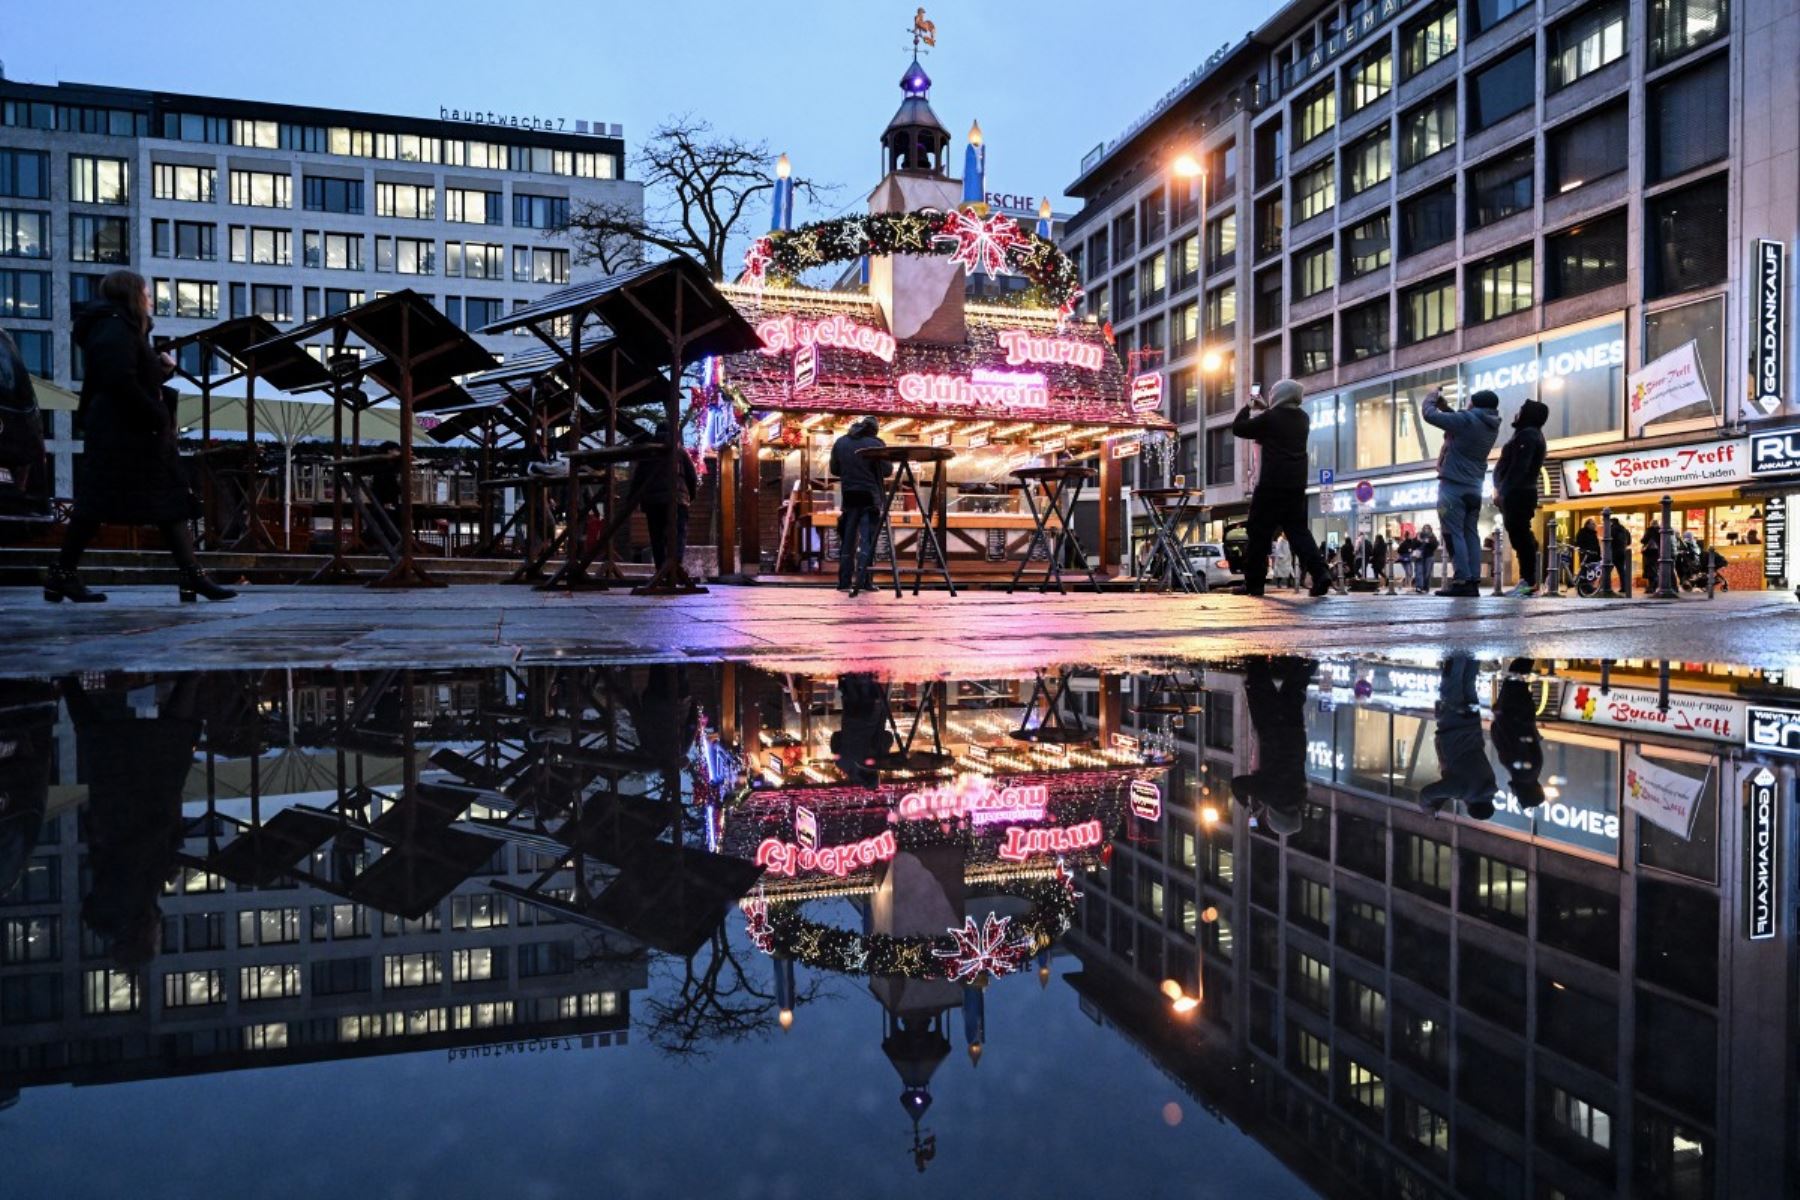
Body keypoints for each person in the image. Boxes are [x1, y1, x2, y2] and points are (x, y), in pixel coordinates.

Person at [48, 270, 234, 603]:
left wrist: (158, 371)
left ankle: (63, 574)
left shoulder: (117, 326)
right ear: (133, 294)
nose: (151, 299)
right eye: (147, 293)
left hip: (123, 431)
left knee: (155, 501)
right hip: (127, 433)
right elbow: (119, 378)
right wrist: (156, 412)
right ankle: (190, 577)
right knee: (139, 500)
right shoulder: (116, 326)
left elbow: (123, 373)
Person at [1230, 379, 1330, 597]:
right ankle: (1321, 575)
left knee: (1258, 532)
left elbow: (1239, 428)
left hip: (1271, 484)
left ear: (1279, 395)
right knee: (1299, 532)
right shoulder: (1303, 418)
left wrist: (1249, 406)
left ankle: (1254, 584)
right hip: (1295, 485)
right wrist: (1265, 409)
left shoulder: (1270, 418)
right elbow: (1275, 426)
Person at [1421, 388, 1501, 597]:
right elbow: (1460, 420)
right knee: (1470, 533)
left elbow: (1429, 415)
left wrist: (1431, 397)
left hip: (1452, 488)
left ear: (1473, 405)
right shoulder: (1490, 425)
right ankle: (1472, 579)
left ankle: (1461, 579)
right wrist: (1446, 407)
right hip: (1474, 489)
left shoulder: (1467, 421)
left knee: (1451, 532)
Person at [1231, 656, 1315, 836]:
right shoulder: (1269, 795)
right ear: (1275, 816)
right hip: (1271, 732)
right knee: (1259, 683)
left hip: (1294, 733)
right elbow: (1237, 784)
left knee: (1293, 690)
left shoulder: (1300, 796)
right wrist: (1246, 804)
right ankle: (1257, 654)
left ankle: (1310, 658)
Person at [1420, 653, 1497, 820]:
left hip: (1472, 724)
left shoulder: (1489, 784)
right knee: (1451, 686)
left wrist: (1445, 796)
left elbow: (1456, 782)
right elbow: (1427, 794)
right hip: (1453, 726)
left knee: (1468, 684)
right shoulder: (1464, 790)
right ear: (1469, 806)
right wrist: (1428, 809)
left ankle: (1472, 654)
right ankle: (1458, 652)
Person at [1493, 398, 1548, 596]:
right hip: (1517, 492)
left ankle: (1529, 581)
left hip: (1518, 493)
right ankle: (1529, 580)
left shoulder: (1529, 435)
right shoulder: (1528, 435)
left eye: (1522, 410)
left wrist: (1503, 491)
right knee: (1520, 535)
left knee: (1520, 535)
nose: (1517, 413)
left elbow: (1519, 467)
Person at [830, 416, 890, 593]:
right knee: (867, 539)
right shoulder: (876, 443)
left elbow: (834, 469)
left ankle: (843, 582)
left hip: (849, 495)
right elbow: (886, 471)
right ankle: (864, 581)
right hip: (870, 496)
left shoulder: (841, 442)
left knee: (848, 539)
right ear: (874, 428)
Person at [631, 421, 698, 576]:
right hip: (678, 499)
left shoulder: (649, 451)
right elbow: (692, 476)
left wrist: (633, 499)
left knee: (657, 536)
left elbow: (638, 478)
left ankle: (661, 568)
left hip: (652, 502)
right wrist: (690, 497)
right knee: (678, 533)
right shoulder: (680, 450)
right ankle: (675, 566)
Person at [1490, 658, 1544, 810]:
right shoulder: (1522, 772)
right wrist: (1500, 715)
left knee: (1517, 674)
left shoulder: (1532, 773)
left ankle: (1530, 644)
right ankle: (1532, 640)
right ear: (1525, 793)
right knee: (1517, 671)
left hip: (1519, 712)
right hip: (1514, 712)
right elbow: (1512, 739)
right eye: (1518, 796)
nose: (1513, 793)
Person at [1606, 515, 1633, 596]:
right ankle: (1624, 587)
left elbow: (1609, 540)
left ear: (1612, 522)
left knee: (1607, 570)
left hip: (1613, 552)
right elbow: (1629, 542)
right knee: (1621, 570)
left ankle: (1605, 586)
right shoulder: (1624, 529)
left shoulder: (1612, 529)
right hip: (1623, 551)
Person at [1413, 524, 1439, 592]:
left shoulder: (1432, 537)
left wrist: (1429, 542)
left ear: (1430, 529)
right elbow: (1413, 545)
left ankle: (1425, 587)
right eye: (1425, 528)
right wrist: (1418, 540)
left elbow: (1435, 545)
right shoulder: (1419, 535)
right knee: (1419, 571)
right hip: (1419, 556)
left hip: (1429, 556)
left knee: (1427, 573)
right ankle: (1419, 587)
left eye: (1427, 528)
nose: (1426, 530)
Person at [1641, 520, 1664, 593]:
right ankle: (1655, 586)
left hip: (1650, 553)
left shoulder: (1650, 530)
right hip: (1659, 553)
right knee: (1656, 569)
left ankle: (1651, 587)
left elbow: (1643, 540)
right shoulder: (1661, 531)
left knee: (1651, 570)